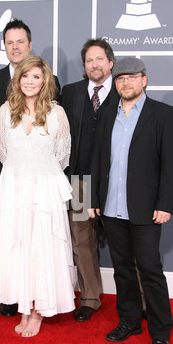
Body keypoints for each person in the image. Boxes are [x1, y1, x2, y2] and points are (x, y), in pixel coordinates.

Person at [89, 57, 173, 344]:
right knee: (122, 270)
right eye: (120, 78)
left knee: (151, 271)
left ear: (144, 80)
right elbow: (98, 159)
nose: (125, 83)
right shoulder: (106, 115)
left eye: (132, 77)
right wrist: (94, 200)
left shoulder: (163, 114)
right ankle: (129, 321)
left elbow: (170, 165)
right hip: (112, 208)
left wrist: (164, 203)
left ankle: (161, 332)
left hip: (145, 208)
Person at [0, 55, 76, 337]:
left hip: (44, 190)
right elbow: (2, 153)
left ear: (45, 81)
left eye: (36, 76)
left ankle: (38, 311)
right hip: (13, 187)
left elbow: (62, 157)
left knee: (42, 248)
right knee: (19, 248)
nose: (30, 81)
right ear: (18, 79)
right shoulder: (5, 111)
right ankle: (25, 307)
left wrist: (38, 171)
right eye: (25, 76)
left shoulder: (56, 113)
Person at [0, 18, 60, 317]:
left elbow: (57, 146)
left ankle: (38, 300)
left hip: (41, 182)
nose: (15, 47)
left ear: (30, 44)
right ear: (5, 47)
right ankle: (14, 295)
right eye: (9, 42)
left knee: (39, 241)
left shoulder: (53, 95)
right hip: (9, 176)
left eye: (20, 42)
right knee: (12, 238)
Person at [62, 38, 119, 322]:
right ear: (84, 66)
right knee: (82, 241)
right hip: (80, 181)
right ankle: (90, 297)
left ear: (110, 62)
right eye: (89, 61)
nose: (94, 65)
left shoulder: (123, 91)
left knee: (126, 242)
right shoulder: (71, 93)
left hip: (115, 183)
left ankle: (140, 300)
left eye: (99, 59)